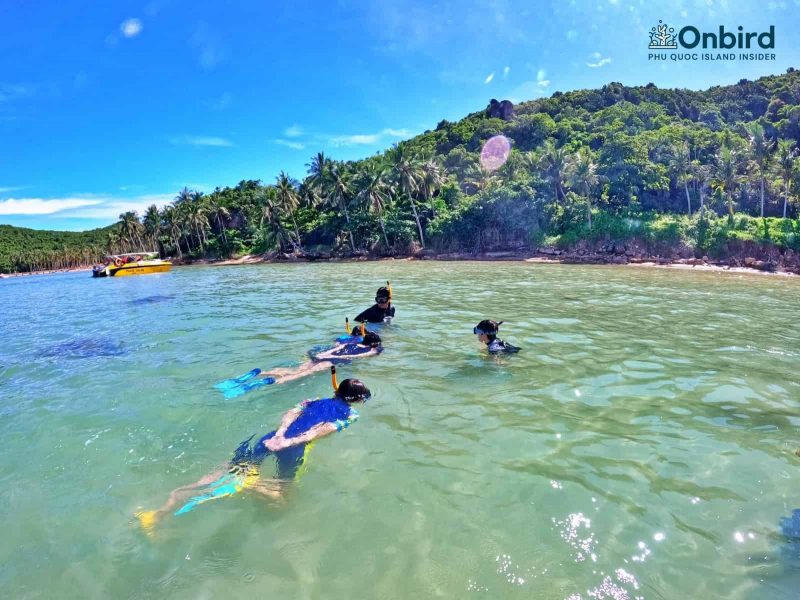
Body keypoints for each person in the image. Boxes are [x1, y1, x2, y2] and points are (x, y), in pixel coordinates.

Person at [135, 372, 371, 528]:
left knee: (223, 471)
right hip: (293, 449)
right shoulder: (350, 414)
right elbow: (320, 430)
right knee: (284, 497)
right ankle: (249, 483)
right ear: (357, 400)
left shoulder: (313, 400)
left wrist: (279, 434)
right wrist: (287, 443)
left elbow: (291, 413)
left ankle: (157, 513)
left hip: (269, 438)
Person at [258, 330, 383, 385]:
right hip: (331, 360)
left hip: (323, 355)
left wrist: (322, 355)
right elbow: (359, 355)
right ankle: (275, 382)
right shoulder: (369, 350)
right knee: (304, 373)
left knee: (297, 369)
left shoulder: (350, 343)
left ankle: (263, 373)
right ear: (373, 344)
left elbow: (336, 347)